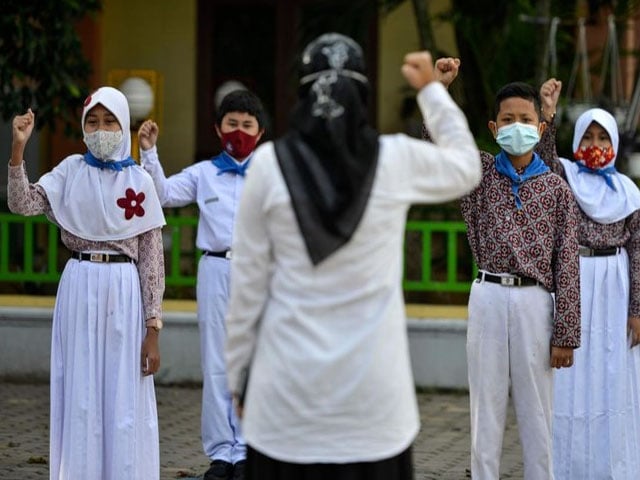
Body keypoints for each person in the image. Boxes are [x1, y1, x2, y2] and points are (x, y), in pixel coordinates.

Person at [223, 32, 481, 480]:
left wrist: (237, 379)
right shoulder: (394, 160)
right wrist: (430, 91)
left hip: (284, 407)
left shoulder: (267, 165)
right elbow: (466, 167)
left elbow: (247, 288)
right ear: (363, 96)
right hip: (376, 413)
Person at [427, 67, 582, 479]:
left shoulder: (556, 189)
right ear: (493, 127)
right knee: (486, 407)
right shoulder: (477, 174)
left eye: (526, 120)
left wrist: (566, 333)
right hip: (488, 296)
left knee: (538, 411)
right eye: (508, 120)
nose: (518, 128)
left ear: (541, 126)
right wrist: (439, 91)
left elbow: (567, 263)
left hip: (535, 301)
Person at [8, 87, 166, 479]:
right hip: (79, 284)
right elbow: (22, 203)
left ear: (124, 124)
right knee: (80, 388)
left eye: (109, 120)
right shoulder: (70, 172)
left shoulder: (139, 181)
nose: (100, 129)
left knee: (123, 391)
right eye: (92, 121)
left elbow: (151, 259)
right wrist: (17, 150)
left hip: (124, 290)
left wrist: (153, 327)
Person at [137, 89, 266, 480]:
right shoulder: (203, 173)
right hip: (215, 269)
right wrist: (149, 152)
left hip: (258, 271)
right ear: (217, 128)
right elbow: (161, 194)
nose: (239, 131)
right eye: (232, 123)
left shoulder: (271, 172)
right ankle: (220, 453)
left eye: (247, 125)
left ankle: (247, 449)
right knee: (216, 361)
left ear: (260, 132)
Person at [535, 80, 640, 479]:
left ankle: (613, 465)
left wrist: (637, 311)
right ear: (577, 139)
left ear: (614, 143)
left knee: (612, 374)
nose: (595, 142)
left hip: (615, 287)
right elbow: (541, 162)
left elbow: (639, 252)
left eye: (603, 136)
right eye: (588, 135)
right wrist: (547, 112)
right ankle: (566, 466)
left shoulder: (629, 193)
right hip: (574, 281)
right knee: (570, 378)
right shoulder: (565, 177)